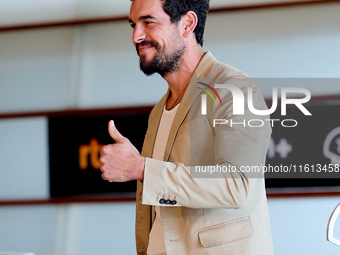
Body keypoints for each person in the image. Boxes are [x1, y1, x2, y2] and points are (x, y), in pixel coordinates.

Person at [99, 0, 274, 254]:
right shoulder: (159, 111)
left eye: (148, 22)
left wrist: (141, 168)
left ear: (187, 23)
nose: (136, 36)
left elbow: (237, 185)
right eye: (133, 24)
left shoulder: (235, 88)